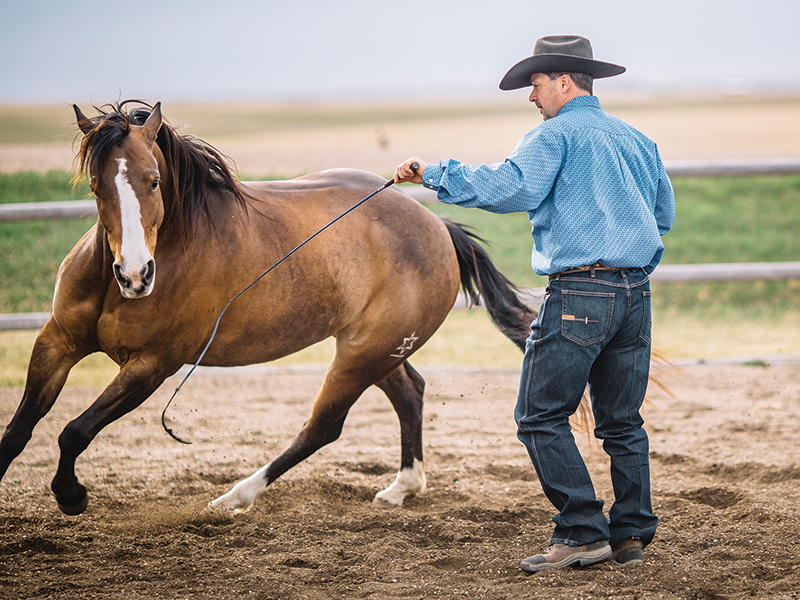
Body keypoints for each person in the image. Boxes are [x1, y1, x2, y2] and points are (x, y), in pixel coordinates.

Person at [394, 35, 675, 573]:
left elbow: (509, 188)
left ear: (564, 81)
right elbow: (662, 213)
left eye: (536, 83)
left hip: (580, 294)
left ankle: (581, 531)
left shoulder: (555, 136)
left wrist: (433, 173)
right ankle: (631, 535)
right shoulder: (637, 139)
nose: (532, 96)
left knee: (539, 415)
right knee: (622, 422)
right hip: (635, 294)